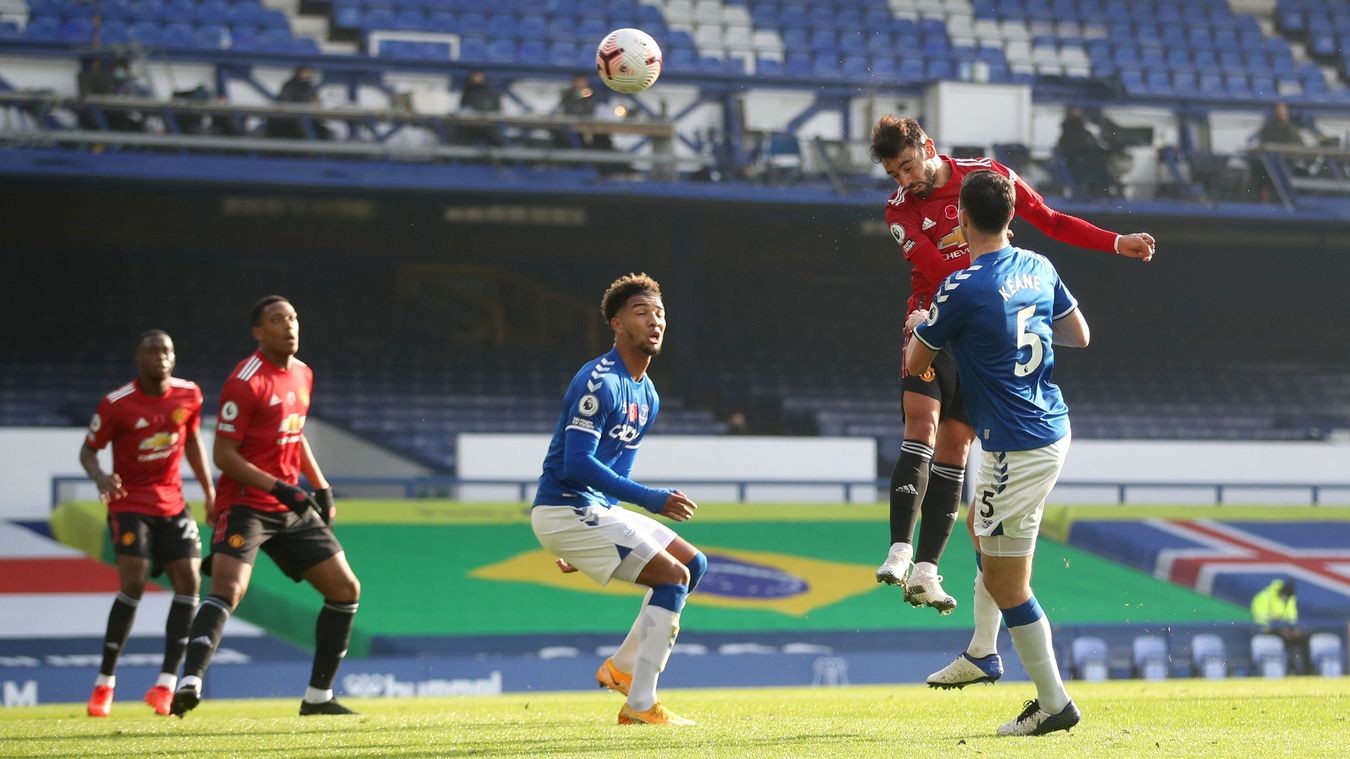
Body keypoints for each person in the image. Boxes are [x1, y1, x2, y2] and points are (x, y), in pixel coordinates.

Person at [869, 115, 1155, 613]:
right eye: (895, 174)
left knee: (956, 448)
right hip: (932, 320)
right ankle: (898, 548)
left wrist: (1114, 241)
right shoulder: (899, 211)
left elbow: (1050, 219)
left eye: (908, 167)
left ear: (928, 147)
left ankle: (927, 570)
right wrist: (937, 316)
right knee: (921, 423)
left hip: (979, 330)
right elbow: (935, 270)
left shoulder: (987, 179)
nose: (905, 181)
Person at [911, 170, 1086, 736]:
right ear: (1012, 216)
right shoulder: (1039, 266)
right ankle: (983, 651)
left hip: (1016, 445)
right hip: (1047, 428)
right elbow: (1079, 334)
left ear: (961, 219)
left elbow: (916, 363)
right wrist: (1017, 329)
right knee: (979, 529)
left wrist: (924, 324)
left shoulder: (960, 287)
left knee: (1009, 582)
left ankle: (1053, 704)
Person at [170, 296, 361, 717]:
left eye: (293, 317)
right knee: (228, 590)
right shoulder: (246, 380)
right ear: (259, 332)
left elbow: (294, 433)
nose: (289, 325)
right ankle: (191, 681)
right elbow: (225, 455)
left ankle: (318, 698)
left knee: (345, 590)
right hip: (247, 504)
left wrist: (321, 485)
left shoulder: (303, 374)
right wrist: (283, 488)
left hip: (290, 505)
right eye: (277, 320)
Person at [532, 273, 705, 726]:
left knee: (694, 564)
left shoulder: (647, 394)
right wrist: (649, 499)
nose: (655, 321)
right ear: (616, 323)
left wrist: (598, 536)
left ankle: (622, 669)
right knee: (672, 576)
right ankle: (641, 705)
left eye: (660, 313)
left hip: (591, 512)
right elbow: (577, 465)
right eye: (641, 311)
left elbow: (617, 471)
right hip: (563, 507)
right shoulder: (598, 381)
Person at [80, 330, 214, 717]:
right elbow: (88, 452)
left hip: (172, 503)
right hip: (130, 504)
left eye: (167, 349)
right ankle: (105, 684)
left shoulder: (189, 394)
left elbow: (191, 442)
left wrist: (209, 491)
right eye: (153, 350)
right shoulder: (117, 403)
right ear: (138, 359)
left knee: (189, 582)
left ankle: (166, 685)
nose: (161, 355)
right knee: (134, 581)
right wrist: (101, 477)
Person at [1248, 101, 1306, 203]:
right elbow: (1263, 142)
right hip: (1270, 162)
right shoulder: (1268, 128)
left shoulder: (1291, 129)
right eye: (1279, 112)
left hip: (1288, 161)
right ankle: (1263, 197)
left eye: (1283, 112)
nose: (1282, 114)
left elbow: (1299, 145)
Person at [1251, 577, 1308, 674]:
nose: (1287, 599)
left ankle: (1306, 670)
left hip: (1284, 631)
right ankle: (1289, 669)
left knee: (1304, 639)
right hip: (1266, 631)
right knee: (1284, 640)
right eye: (1285, 596)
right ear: (1281, 592)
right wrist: (1279, 628)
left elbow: (1292, 617)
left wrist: (1293, 629)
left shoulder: (1290, 598)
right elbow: (1260, 620)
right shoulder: (1264, 597)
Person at [1056, 106, 1114, 199]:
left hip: (1085, 161)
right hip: (1077, 162)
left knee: (1099, 165)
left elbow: (1094, 147)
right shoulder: (1070, 133)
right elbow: (1069, 150)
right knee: (1089, 167)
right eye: (1075, 112)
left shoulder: (1083, 133)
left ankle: (1098, 190)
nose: (1077, 114)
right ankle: (1095, 190)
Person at [456, 69, 504, 147]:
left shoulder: (491, 94)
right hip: (470, 126)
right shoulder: (467, 93)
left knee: (498, 139)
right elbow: (463, 108)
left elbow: (496, 110)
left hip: (488, 125)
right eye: (475, 76)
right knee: (460, 136)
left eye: (479, 76)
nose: (477, 78)